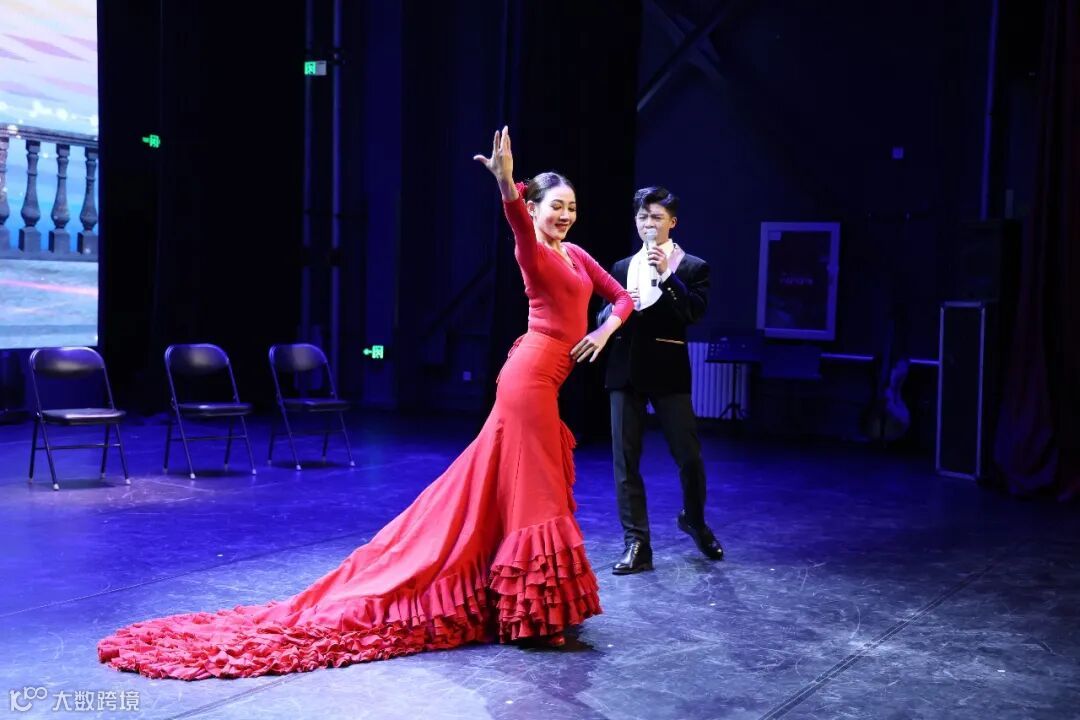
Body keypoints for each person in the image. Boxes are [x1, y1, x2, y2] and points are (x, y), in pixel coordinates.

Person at [96, 127, 633, 680]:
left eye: (571, 207)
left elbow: (622, 298)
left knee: (516, 489)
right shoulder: (533, 251)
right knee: (536, 492)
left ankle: (526, 605)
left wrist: (603, 330)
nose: (564, 215)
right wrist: (505, 186)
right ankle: (536, 614)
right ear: (536, 208)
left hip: (546, 380)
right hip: (528, 382)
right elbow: (516, 223)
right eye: (554, 206)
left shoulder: (575, 255)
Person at [597, 186, 724, 575]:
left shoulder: (692, 267)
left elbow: (692, 313)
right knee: (625, 461)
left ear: (672, 222)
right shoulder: (621, 267)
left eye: (656, 217)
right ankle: (636, 543)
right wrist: (615, 311)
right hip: (625, 368)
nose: (648, 224)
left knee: (689, 456)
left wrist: (667, 275)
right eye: (642, 217)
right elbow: (602, 314)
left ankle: (694, 520)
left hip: (668, 371)